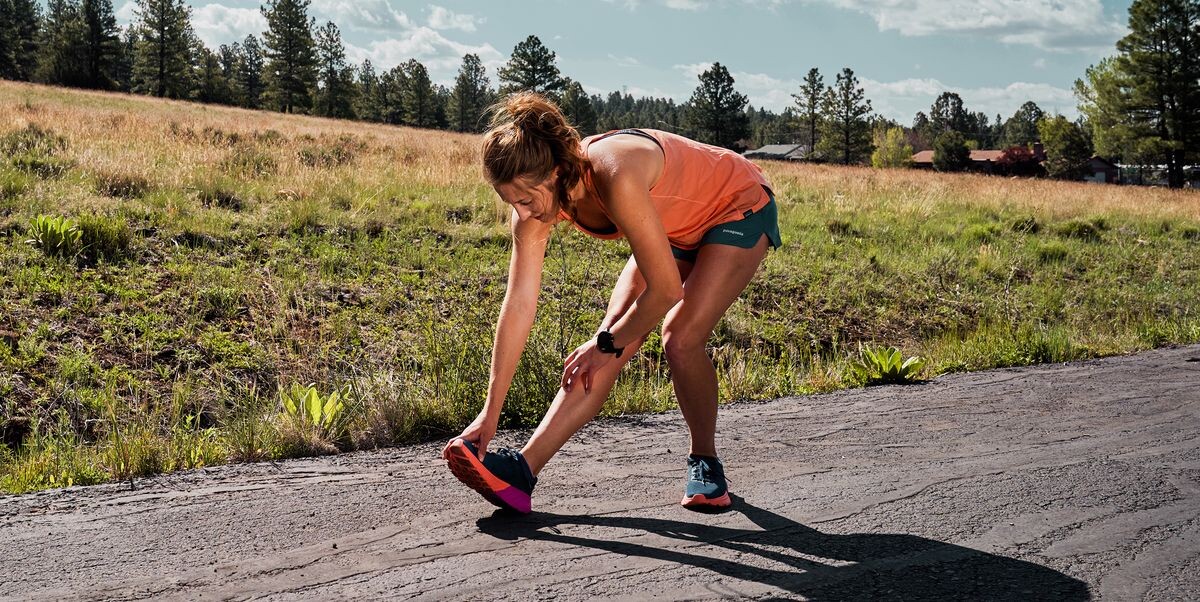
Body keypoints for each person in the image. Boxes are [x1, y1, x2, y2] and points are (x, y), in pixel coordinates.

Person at [441, 92, 782, 514]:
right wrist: (489, 413)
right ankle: (521, 473)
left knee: (678, 337)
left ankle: (705, 462)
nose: (522, 213)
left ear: (558, 173)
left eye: (526, 200)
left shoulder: (615, 174)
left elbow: (666, 291)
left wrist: (607, 344)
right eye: (511, 202)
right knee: (610, 337)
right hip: (676, 226)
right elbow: (519, 305)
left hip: (737, 206)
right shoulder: (532, 206)